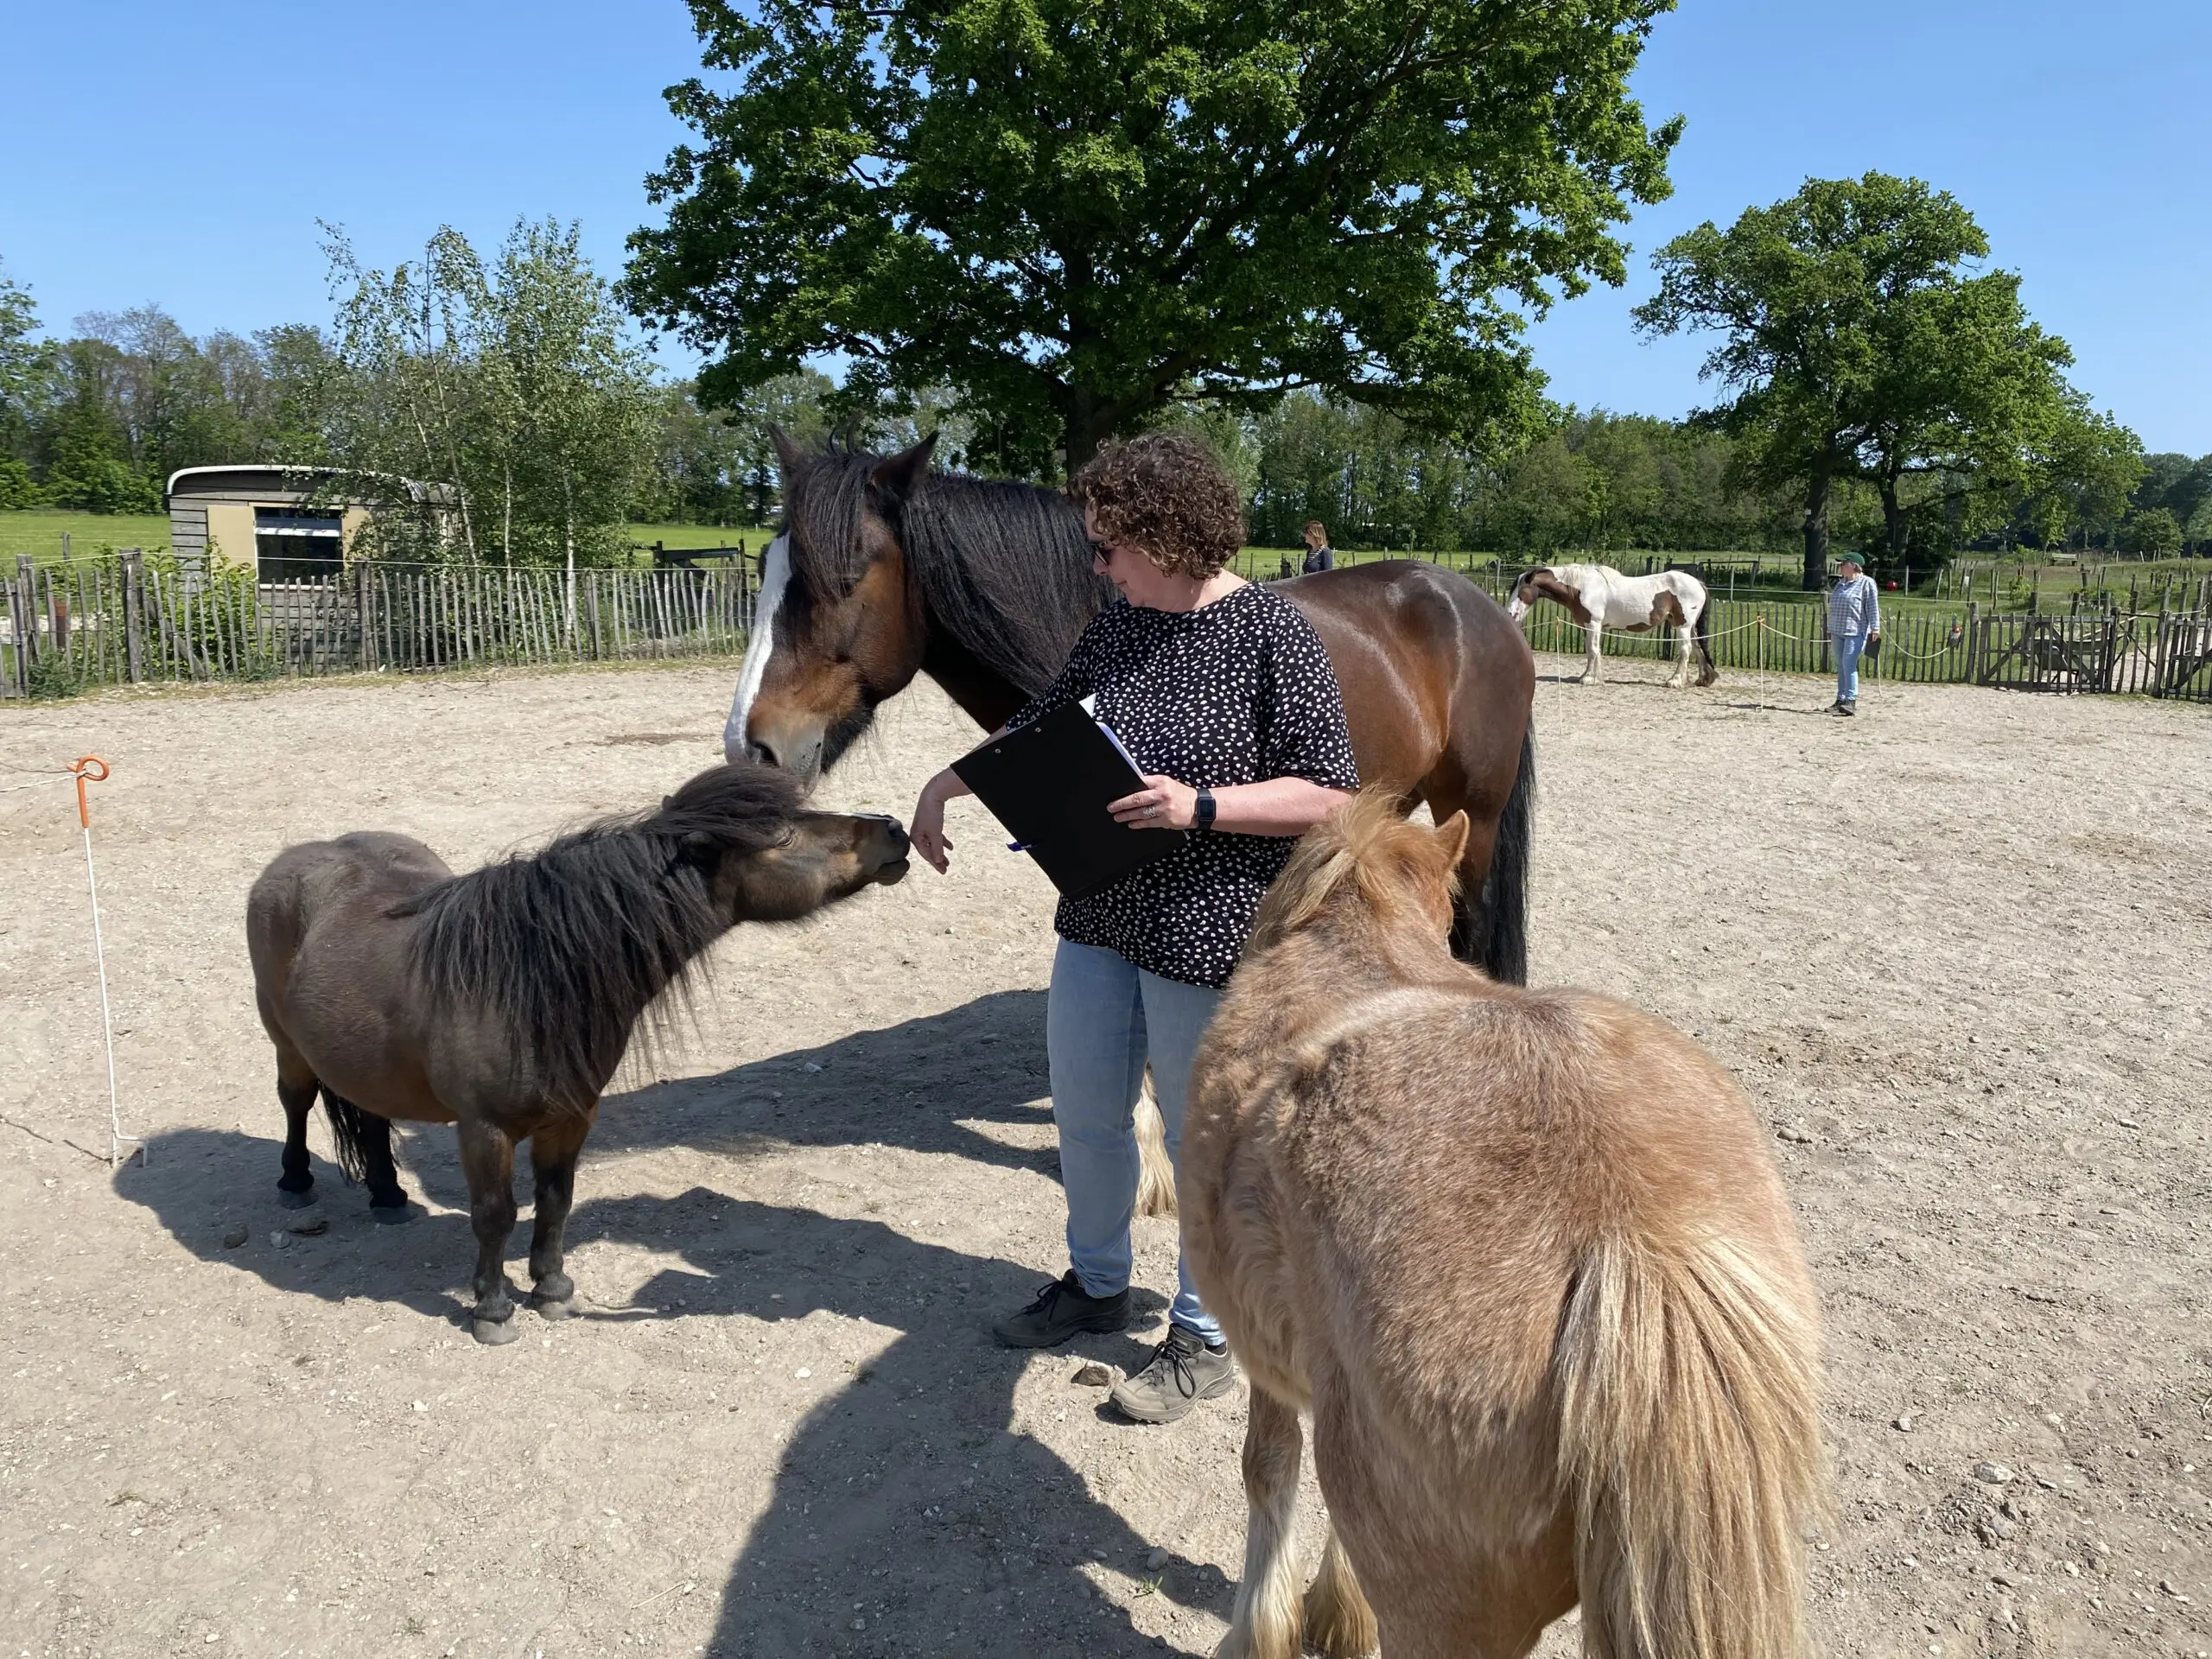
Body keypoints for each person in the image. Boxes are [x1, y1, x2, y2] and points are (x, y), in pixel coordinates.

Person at [908, 434, 1360, 1425]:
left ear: (1167, 535)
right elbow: (1043, 726)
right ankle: (1097, 1283)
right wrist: (950, 782)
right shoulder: (1119, 626)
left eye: (1111, 548)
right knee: (1086, 1116)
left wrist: (1199, 806)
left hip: (1206, 930)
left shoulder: (1273, 634)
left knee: (1209, 1142)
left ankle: (1205, 1334)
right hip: (1099, 913)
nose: (1099, 567)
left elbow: (1332, 794)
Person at [1827, 554, 1882, 716]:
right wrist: (1830, 629)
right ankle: (1841, 699)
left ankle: (1851, 701)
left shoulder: (1867, 583)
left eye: (1842, 564)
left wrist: (1875, 628)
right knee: (1840, 664)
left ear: (1853, 566)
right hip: (1838, 631)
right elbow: (1834, 608)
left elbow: (1872, 607)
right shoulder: (1840, 584)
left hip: (1855, 631)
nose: (1840, 566)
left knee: (1849, 664)